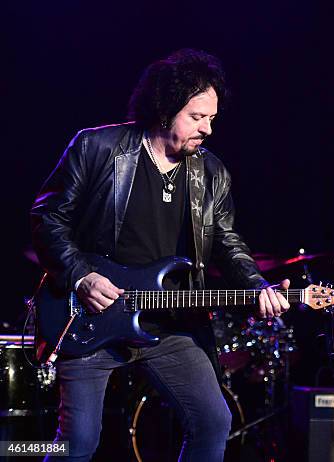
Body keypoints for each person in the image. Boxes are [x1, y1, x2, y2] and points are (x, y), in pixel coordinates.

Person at [31, 49, 290, 461]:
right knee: (76, 444)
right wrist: (82, 275)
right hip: (90, 315)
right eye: (196, 117)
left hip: (168, 320)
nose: (207, 129)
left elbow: (226, 240)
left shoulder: (210, 172)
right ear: (165, 109)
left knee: (212, 422)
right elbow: (47, 218)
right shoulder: (96, 146)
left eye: (212, 119)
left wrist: (258, 285)